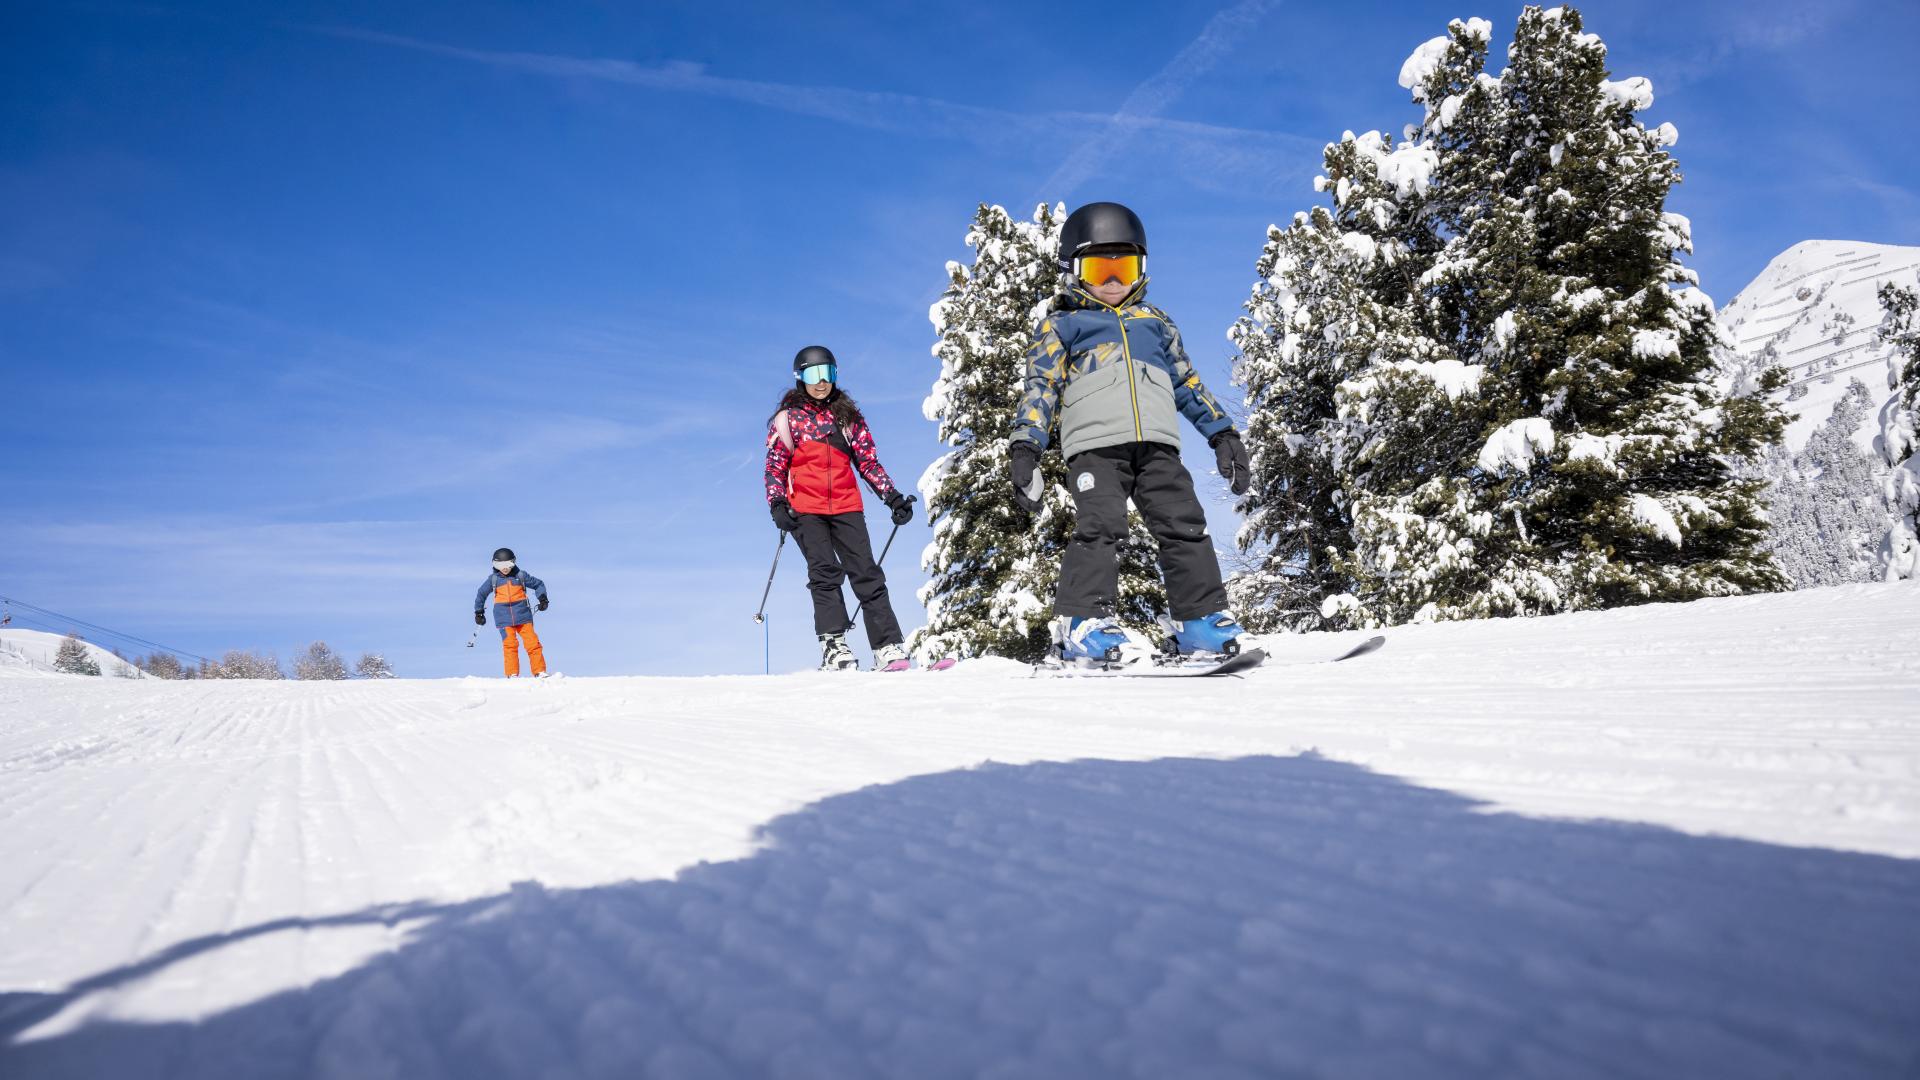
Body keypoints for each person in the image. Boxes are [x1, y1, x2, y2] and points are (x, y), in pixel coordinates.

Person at [1008, 201, 1254, 666]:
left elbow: (1186, 383)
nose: (1113, 281)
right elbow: (1041, 387)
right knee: (1101, 526)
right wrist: (1026, 446)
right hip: (1095, 448)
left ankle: (1199, 620)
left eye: (1124, 268)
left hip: (1158, 447)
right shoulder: (1063, 324)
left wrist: (1222, 434)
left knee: (1185, 525)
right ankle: (1083, 623)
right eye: (1099, 269)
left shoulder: (1155, 323)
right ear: (1073, 271)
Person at [764, 346, 916, 671]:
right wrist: (777, 503)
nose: (821, 382)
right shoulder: (788, 420)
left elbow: (868, 462)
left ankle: (887, 646)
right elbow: (775, 467)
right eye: (814, 374)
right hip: (806, 508)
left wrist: (892, 497)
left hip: (847, 505)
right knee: (824, 572)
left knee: (867, 572)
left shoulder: (847, 417)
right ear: (800, 378)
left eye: (828, 374)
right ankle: (834, 646)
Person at [474, 547, 550, 678]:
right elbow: (481, 594)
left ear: (513, 562)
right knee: (510, 645)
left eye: (508, 564)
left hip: (523, 616)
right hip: (503, 619)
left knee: (532, 643)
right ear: (495, 565)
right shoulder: (493, 580)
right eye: (500, 565)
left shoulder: (521, 576)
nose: (504, 568)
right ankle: (512, 674)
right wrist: (479, 612)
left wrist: (542, 598)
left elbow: (538, 584)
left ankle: (539, 671)